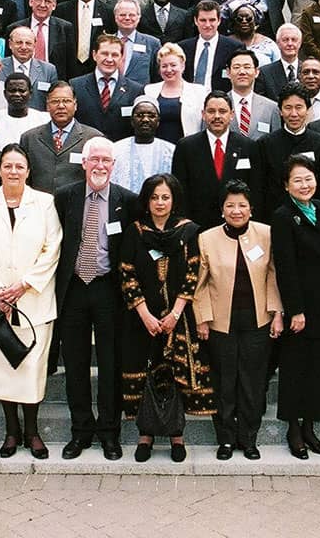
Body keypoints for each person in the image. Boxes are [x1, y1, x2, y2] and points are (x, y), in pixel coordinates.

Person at [0, 144, 62, 458]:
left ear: (28, 170)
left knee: (30, 369)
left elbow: (53, 248)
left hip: (33, 302)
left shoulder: (44, 203)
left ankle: (32, 432)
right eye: (7, 166)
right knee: (4, 369)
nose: (13, 172)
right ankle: (11, 432)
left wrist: (23, 286)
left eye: (19, 166)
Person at [118, 174, 215, 462]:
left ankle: (177, 437)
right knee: (144, 371)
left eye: (165, 197)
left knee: (174, 373)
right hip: (141, 321)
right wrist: (145, 314)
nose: (160, 203)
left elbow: (192, 274)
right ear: (146, 201)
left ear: (174, 200)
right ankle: (145, 436)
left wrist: (174, 313)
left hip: (178, 319)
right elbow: (126, 272)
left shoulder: (188, 231)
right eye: (155, 197)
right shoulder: (135, 231)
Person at [54, 137, 137, 460]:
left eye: (106, 160)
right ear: (84, 163)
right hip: (73, 288)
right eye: (95, 159)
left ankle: (109, 432)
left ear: (113, 165)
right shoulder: (65, 198)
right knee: (74, 363)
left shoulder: (126, 201)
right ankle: (80, 431)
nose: (100, 165)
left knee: (110, 363)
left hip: (108, 289)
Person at [193, 180, 283, 460]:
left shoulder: (266, 234)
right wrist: (202, 319)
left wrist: (277, 314)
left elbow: (273, 276)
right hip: (221, 322)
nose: (236, 210)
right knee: (224, 382)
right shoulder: (207, 238)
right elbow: (199, 284)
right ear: (222, 210)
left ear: (251, 208)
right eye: (230, 205)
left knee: (252, 382)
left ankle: (249, 438)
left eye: (242, 205)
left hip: (258, 320)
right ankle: (226, 439)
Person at [269, 155, 320, 460]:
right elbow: (285, 267)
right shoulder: (283, 216)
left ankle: (311, 427)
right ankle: (294, 430)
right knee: (296, 367)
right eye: (297, 180)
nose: (304, 185)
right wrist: (294, 310)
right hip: (299, 305)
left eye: (308, 179)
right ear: (286, 185)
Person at [171, 91, 263, 229]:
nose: (217, 116)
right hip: (198, 226)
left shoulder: (248, 146)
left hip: (239, 225)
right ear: (203, 114)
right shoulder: (186, 147)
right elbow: (180, 192)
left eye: (222, 111)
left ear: (231, 115)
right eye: (211, 111)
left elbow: (256, 189)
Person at [257, 85, 320, 216]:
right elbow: (261, 186)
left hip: (311, 215)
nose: (294, 114)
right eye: (288, 108)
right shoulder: (266, 143)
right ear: (280, 111)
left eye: (299, 107)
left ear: (308, 109)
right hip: (275, 214)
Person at [18, 81, 105, 194]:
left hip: (76, 207)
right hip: (39, 207)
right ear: (47, 106)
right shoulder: (29, 138)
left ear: (75, 105)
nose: (61, 106)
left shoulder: (93, 138)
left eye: (66, 101)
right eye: (55, 101)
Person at [144, 43, 207, 142]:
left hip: (187, 150)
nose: (169, 70)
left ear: (182, 66)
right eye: (164, 66)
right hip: (157, 149)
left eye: (173, 65)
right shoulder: (149, 91)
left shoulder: (199, 92)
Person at [112, 96, 175, 193]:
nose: (145, 119)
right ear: (132, 121)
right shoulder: (116, 149)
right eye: (140, 115)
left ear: (158, 121)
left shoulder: (171, 150)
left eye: (151, 116)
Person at [228, 0, 281, 66]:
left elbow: (278, 69)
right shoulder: (225, 43)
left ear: (255, 21)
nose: (244, 21)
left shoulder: (269, 44)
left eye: (249, 18)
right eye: (240, 19)